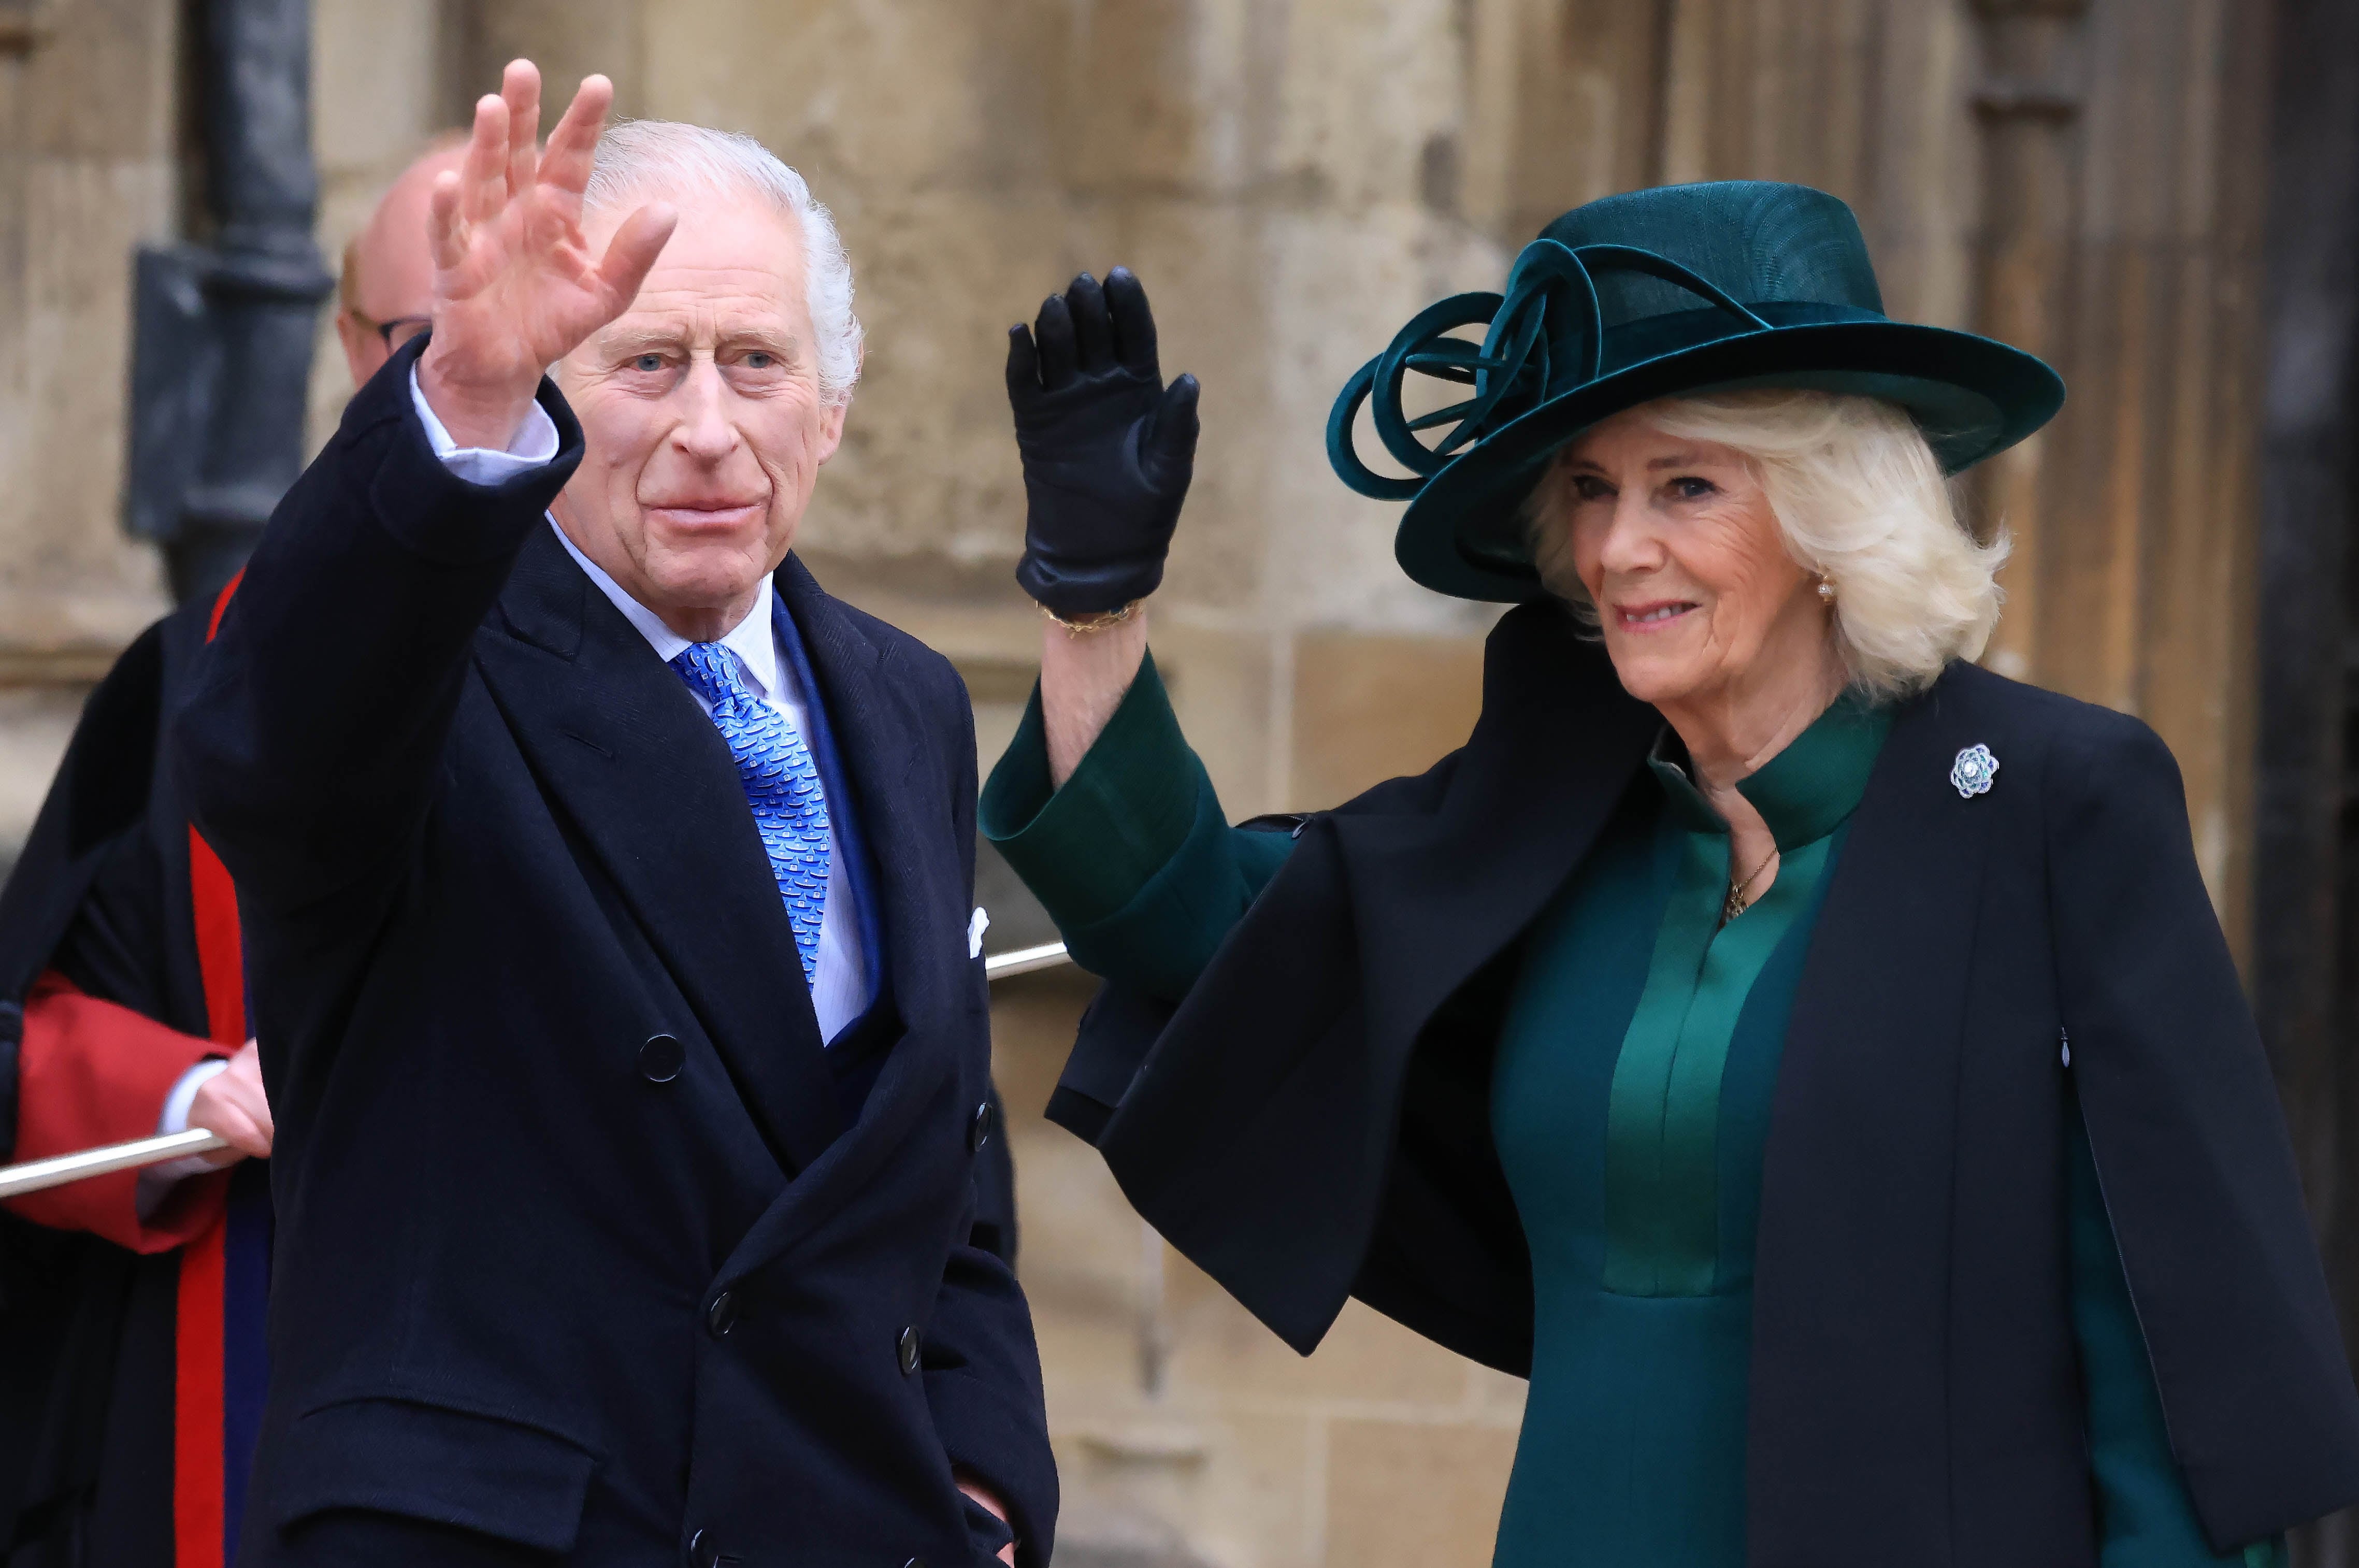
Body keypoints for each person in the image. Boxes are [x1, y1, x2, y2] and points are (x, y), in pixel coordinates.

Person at [984, 181, 2359, 1566]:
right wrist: (1095, 604)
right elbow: (1196, 932)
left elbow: (2174, 1363)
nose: (1615, 545)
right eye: (1588, 489)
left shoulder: (2055, 802)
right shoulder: (1558, 813)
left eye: (1683, 484)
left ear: (1828, 515)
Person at [171, 62, 1052, 1568]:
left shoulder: (903, 700)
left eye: (756, 362)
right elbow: (268, 744)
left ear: (833, 410)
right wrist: (453, 403)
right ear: (555, 398)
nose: (709, 426)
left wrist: (978, 1482)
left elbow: (938, 1157)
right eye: (646, 365)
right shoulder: (425, 661)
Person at [0, 137, 462, 1567]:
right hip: (251, 1384)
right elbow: (29, 1033)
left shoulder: (762, 700)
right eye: (433, 340)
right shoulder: (204, 678)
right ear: (348, 348)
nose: (502, 375)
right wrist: (186, 1084)